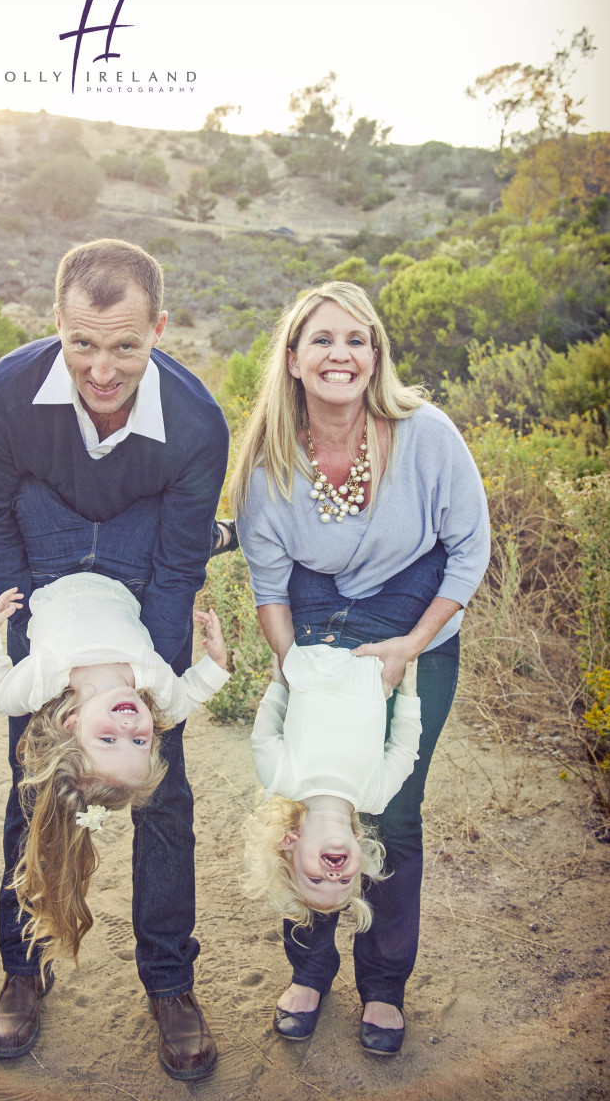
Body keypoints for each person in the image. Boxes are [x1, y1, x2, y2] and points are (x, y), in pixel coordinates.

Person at [0, 238, 229, 1080]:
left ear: (159, 327)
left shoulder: (195, 422)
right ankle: (23, 966)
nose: (102, 369)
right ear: (57, 325)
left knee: (162, 784)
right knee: (36, 776)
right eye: (82, 342)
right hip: (43, 564)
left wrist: (142, 685)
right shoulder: (1, 399)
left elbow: (182, 567)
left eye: (125, 345)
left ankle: (169, 982)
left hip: (142, 568)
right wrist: (25, 617)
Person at [230, 280, 490, 1055]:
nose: (340, 354)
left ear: (375, 355)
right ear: (294, 357)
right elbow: (268, 587)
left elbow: (470, 550)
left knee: (393, 813)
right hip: (311, 625)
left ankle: (383, 983)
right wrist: (293, 674)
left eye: (356, 339)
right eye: (322, 340)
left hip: (412, 628)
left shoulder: (426, 435)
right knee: (304, 804)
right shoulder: (270, 457)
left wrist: (410, 651)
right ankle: (308, 970)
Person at [0, 577, 229, 982]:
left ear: (71, 726)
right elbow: (185, 699)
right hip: (121, 577)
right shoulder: (152, 683)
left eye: (108, 739)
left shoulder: (45, 679)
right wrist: (216, 662)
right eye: (140, 740)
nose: (128, 724)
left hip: (52, 575)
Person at [243, 650, 419, 943]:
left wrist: (279, 683)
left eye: (316, 880)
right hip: (371, 657)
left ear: (289, 843)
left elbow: (264, 733)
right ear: (359, 847)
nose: (334, 877)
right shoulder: (376, 795)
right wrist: (409, 695)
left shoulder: (281, 778)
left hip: (315, 646)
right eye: (346, 881)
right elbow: (404, 751)